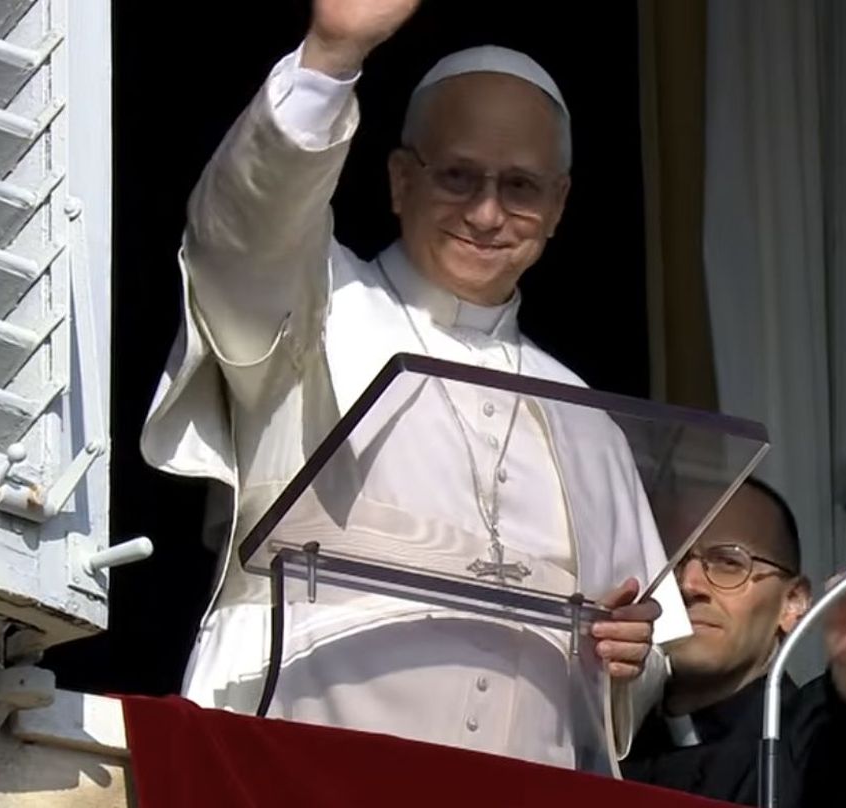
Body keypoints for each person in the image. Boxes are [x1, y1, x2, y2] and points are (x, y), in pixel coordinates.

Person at [137, 0, 690, 771]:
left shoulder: (588, 420)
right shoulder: (317, 307)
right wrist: (330, 55)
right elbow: (238, 233)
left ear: (558, 205)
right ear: (401, 179)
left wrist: (633, 656)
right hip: (301, 769)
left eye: (521, 186)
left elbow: (638, 657)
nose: (488, 212)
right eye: (458, 175)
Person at [621, 478, 846, 806]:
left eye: (729, 562)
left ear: (792, 602)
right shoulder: (616, 732)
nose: (689, 584)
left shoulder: (806, 736)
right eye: (674, 560)